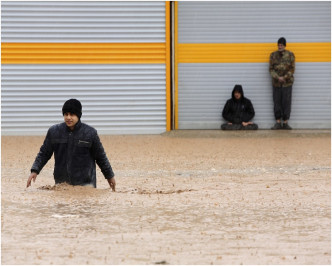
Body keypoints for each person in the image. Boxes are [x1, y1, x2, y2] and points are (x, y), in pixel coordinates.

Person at [26, 99, 116, 190]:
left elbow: (101, 157)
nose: (68, 117)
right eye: (66, 114)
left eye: (72, 114)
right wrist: (35, 171)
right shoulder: (54, 132)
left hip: (86, 186)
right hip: (61, 185)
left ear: (78, 115)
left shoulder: (90, 133)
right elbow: (44, 153)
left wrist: (110, 177)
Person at [269, 37, 295, 130]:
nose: (280, 46)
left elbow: (292, 69)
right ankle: (278, 122)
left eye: (281, 45)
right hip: (276, 84)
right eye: (279, 45)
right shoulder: (273, 55)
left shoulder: (290, 55)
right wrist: (278, 77)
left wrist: (284, 77)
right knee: (277, 102)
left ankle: (285, 122)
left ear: (285, 45)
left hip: (287, 84)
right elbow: (271, 69)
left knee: (286, 102)